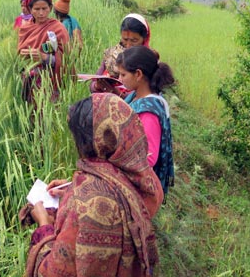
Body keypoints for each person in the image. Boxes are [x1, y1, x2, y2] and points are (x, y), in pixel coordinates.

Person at [25, 93, 163, 277]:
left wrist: (43, 226)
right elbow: (117, 189)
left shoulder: (87, 204)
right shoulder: (145, 179)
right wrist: (69, 187)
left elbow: (53, 272)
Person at [116, 45, 175, 195]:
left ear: (138, 74)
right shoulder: (135, 97)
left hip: (137, 187)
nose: (119, 79)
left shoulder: (149, 112)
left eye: (123, 75)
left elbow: (149, 157)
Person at [18, 0, 70, 103]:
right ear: (30, 9)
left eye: (44, 8)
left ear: (50, 8)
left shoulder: (58, 28)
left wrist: (44, 57)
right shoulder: (25, 28)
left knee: (47, 115)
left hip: (50, 83)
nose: (41, 13)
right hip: (27, 82)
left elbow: (67, 59)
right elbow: (19, 53)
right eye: (37, 9)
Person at [90, 13, 151, 97]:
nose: (128, 45)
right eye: (125, 39)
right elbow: (93, 84)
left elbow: (144, 98)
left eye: (134, 40)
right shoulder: (111, 55)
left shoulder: (149, 61)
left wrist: (115, 92)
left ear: (144, 38)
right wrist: (97, 86)